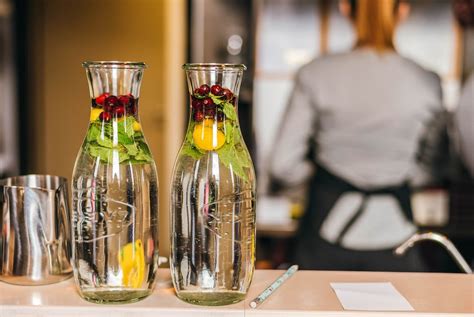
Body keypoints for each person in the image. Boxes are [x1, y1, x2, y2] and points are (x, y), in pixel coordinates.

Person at [269, 0, 444, 271]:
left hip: (325, 231)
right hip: (398, 234)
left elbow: (282, 164)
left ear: (345, 8)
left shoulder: (315, 74)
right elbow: (434, 168)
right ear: (403, 10)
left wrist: (321, 178)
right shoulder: (428, 82)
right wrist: (398, 172)